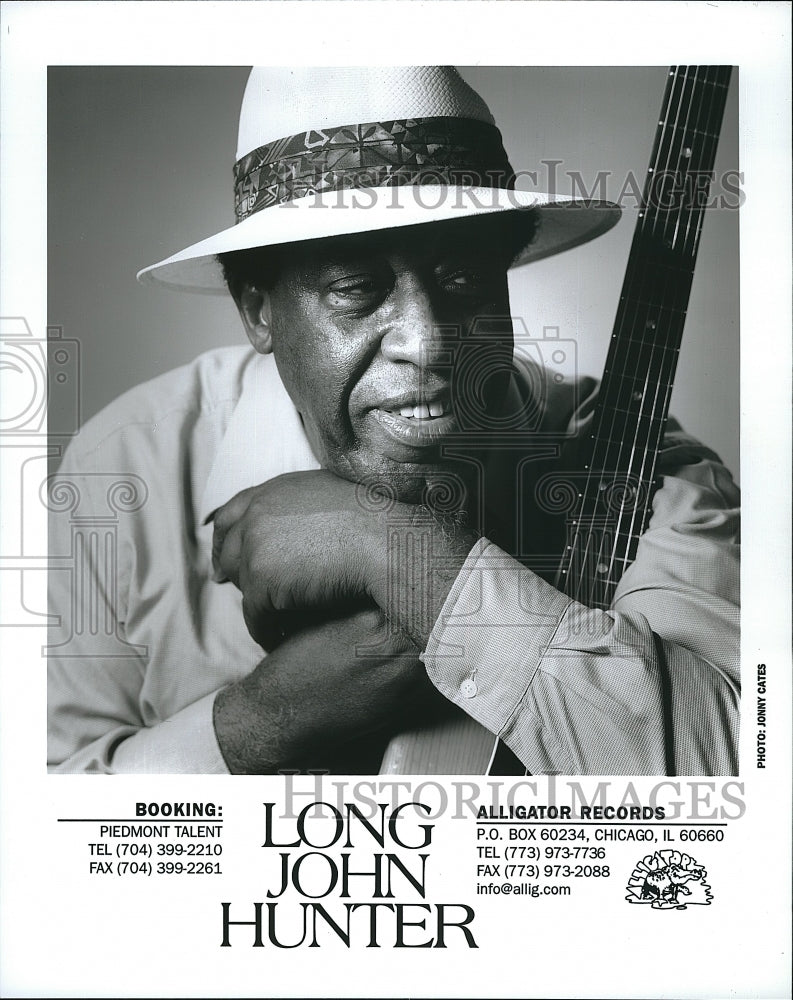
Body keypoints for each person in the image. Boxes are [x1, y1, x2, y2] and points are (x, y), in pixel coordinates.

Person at [47, 66, 740, 776]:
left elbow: (734, 785)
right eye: (357, 288)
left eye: (462, 277)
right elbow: (45, 836)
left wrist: (404, 555)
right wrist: (262, 722)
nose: (428, 341)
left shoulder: (639, 463)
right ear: (259, 311)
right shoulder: (124, 467)